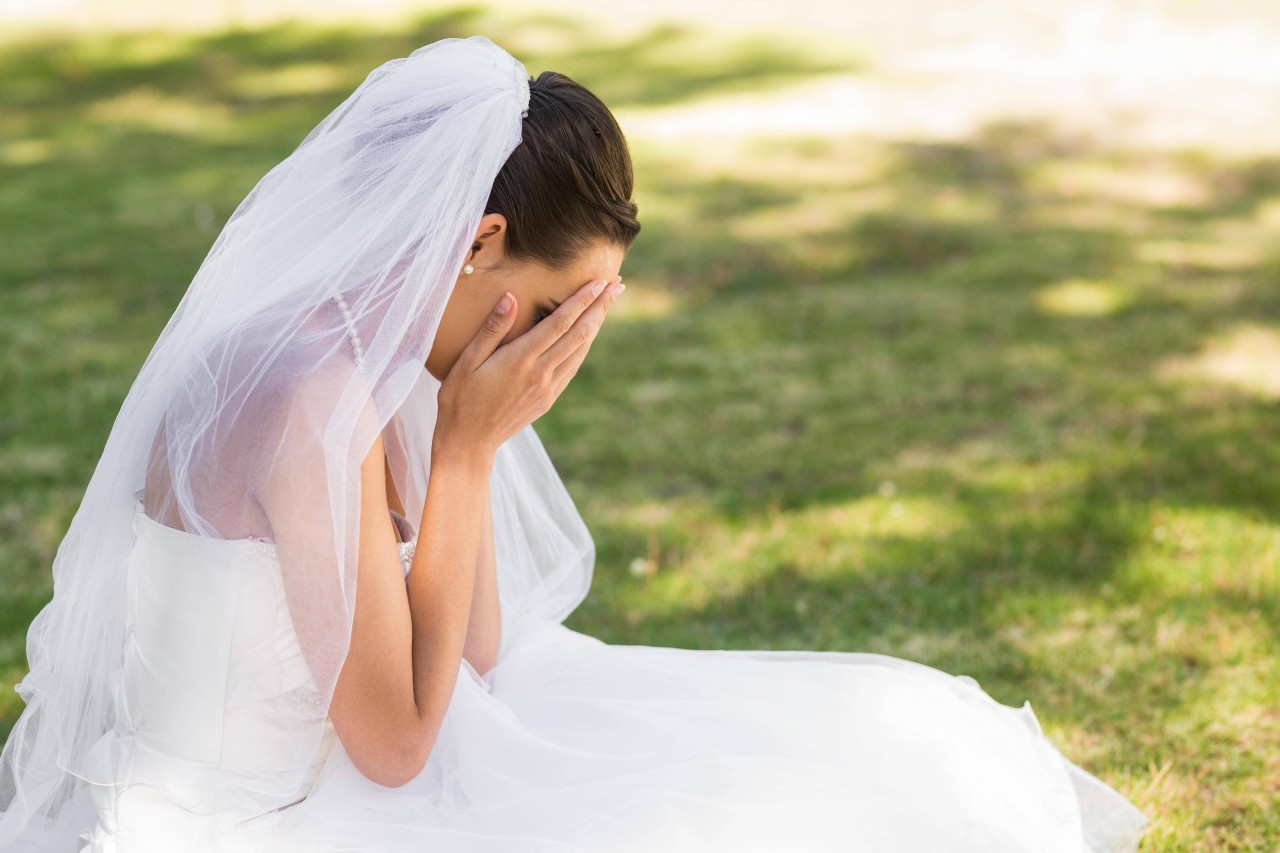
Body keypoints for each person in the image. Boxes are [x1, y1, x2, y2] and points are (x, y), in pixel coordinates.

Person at [0, 35, 1149, 852]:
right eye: (554, 309)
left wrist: (473, 446)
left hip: (339, 775)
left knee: (844, 755)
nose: (552, 350)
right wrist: (457, 454)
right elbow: (398, 744)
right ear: (480, 239)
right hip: (247, 816)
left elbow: (479, 654)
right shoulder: (310, 393)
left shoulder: (373, 345)